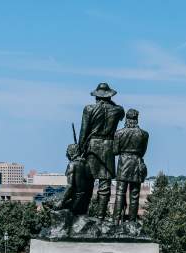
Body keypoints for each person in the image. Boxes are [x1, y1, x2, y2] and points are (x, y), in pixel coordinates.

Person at [78, 83, 125, 220]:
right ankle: (100, 217)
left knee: (87, 182)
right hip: (109, 146)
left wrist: (80, 149)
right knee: (105, 185)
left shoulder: (89, 109)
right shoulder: (118, 110)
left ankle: (83, 214)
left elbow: (83, 131)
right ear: (110, 95)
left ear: (97, 96)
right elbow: (119, 113)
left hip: (92, 146)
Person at [112, 109, 149, 223]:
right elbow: (143, 152)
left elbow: (115, 151)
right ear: (136, 119)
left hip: (123, 163)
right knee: (134, 194)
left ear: (127, 119)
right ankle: (132, 221)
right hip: (137, 163)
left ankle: (115, 220)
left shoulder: (119, 133)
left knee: (120, 193)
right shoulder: (144, 134)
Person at [56, 143, 93, 215]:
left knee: (53, 207)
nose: (66, 154)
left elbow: (70, 186)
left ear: (71, 152)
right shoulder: (87, 164)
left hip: (75, 201)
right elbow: (90, 184)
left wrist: (61, 202)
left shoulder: (72, 164)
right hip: (85, 200)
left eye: (67, 151)